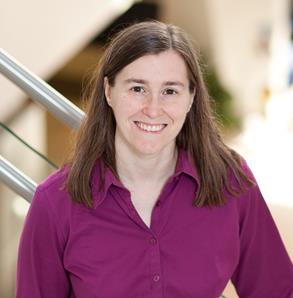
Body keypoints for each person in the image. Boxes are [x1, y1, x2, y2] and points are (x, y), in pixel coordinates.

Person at [16, 21, 293, 298]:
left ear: (191, 98)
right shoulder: (55, 203)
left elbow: (277, 290)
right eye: (138, 89)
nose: (152, 108)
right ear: (108, 91)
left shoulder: (230, 182)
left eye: (170, 91)